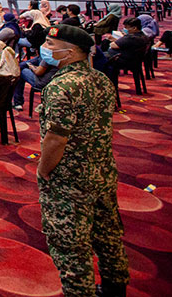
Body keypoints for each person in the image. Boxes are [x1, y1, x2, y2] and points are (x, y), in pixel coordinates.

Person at [36, 25, 128, 296]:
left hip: (71, 178)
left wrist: (43, 170)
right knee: (108, 234)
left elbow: (56, 138)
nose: (46, 48)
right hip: (102, 170)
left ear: (71, 51)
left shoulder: (61, 86)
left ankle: (80, 292)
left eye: (51, 44)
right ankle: (115, 287)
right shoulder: (101, 79)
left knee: (71, 247)